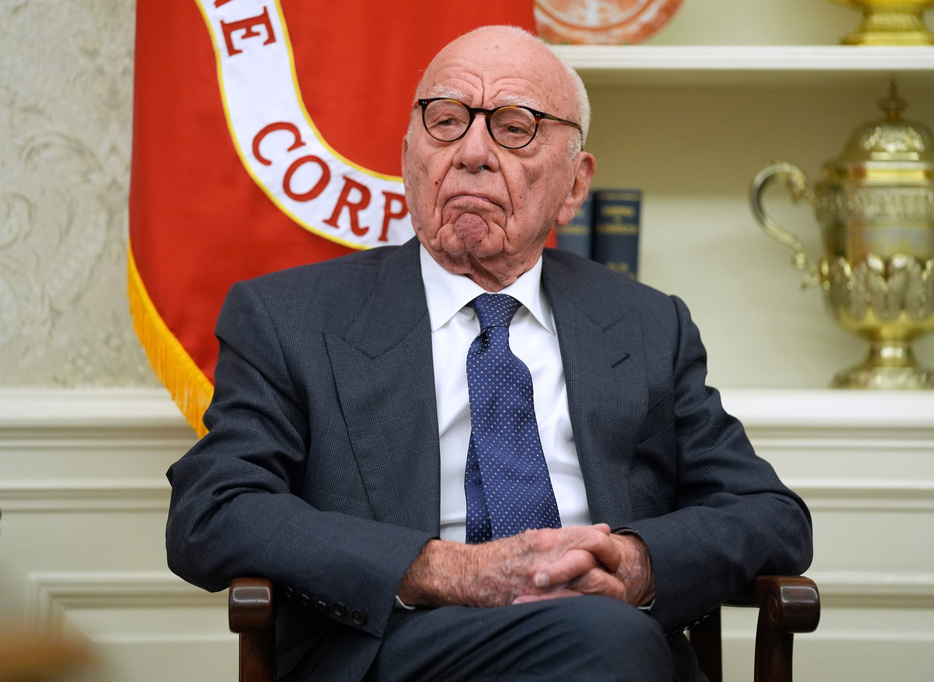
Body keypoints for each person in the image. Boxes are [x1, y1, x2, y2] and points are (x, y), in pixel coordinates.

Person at [166, 25, 813, 682]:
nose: (472, 151)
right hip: (394, 651)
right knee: (605, 641)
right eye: (445, 121)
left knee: (605, 637)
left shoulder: (645, 324)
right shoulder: (290, 317)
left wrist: (635, 561)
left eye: (515, 127)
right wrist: (437, 569)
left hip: (610, 642)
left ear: (574, 183)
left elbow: (771, 517)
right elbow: (212, 509)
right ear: (408, 156)